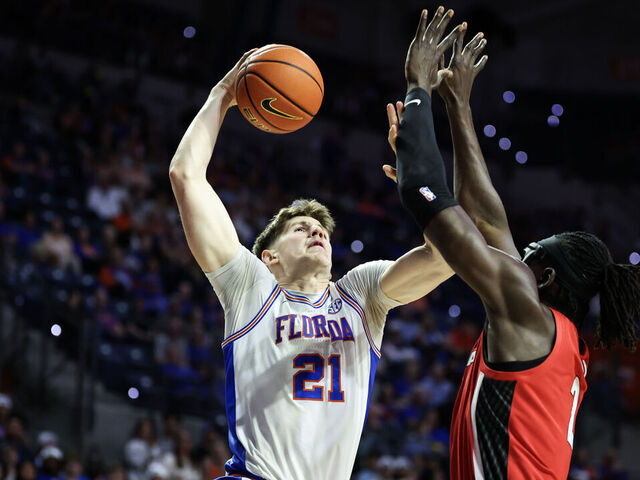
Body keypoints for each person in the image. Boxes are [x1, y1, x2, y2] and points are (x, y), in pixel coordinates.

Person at [168, 33, 461, 479]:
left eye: (321, 228)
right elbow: (186, 175)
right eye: (300, 228)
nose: (316, 230)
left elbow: (445, 257)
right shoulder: (252, 287)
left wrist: (418, 183)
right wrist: (225, 93)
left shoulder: (361, 294)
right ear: (269, 256)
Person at [388, 7, 640, 479]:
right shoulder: (556, 336)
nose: (516, 251)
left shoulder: (527, 312)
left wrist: (418, 83)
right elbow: (484, 216)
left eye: (529, 252)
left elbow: (420, 190)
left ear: (544, 277)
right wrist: (457, 105)